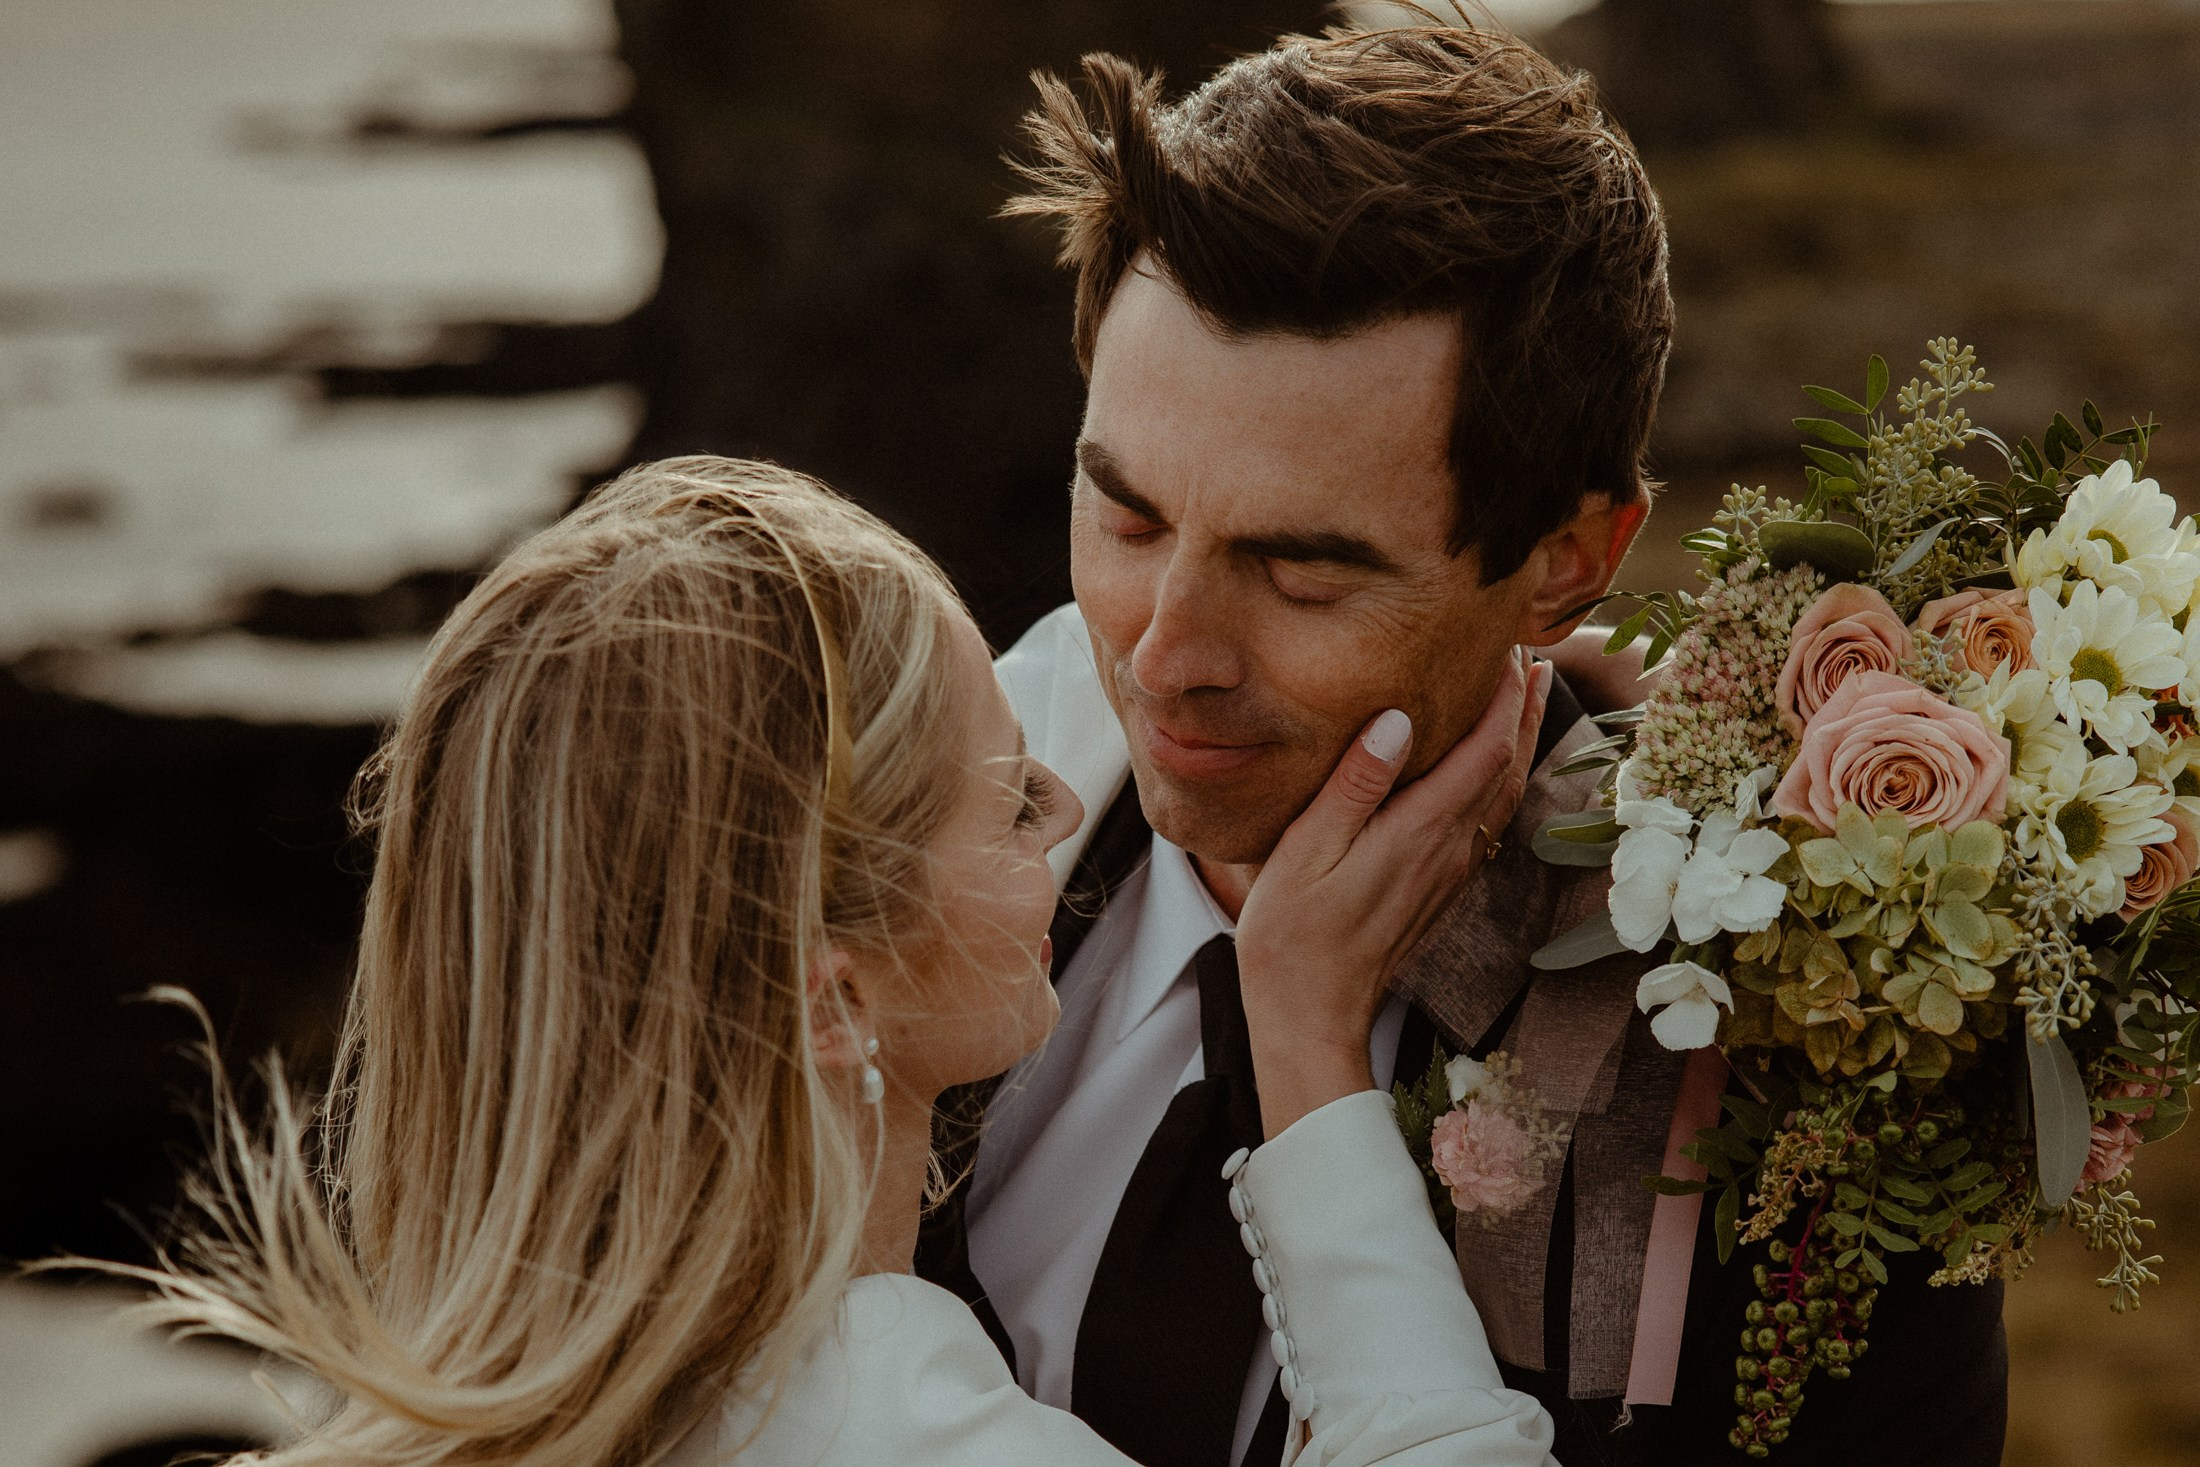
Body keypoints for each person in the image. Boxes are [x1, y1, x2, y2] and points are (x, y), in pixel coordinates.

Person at [925, 16, 2009, 1467]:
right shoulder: (889, 817)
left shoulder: (1808, 1127)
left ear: (1571, 558)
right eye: (1125, 515)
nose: (1161, 652)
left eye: (1303, 571)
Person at [85, 456, 1565, 1467]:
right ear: (832, 991)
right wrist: (1304, 1047)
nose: (1070, 802)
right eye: (1006, 802)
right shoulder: (882, 1421)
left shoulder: (523, 1409)